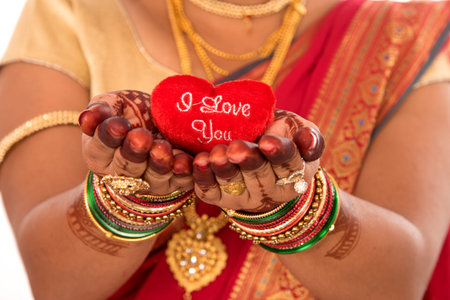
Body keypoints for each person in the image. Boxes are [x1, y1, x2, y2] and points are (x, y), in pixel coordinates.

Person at [0, 0, 449, 299]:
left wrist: (291, 209)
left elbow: (398, 283)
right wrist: (129, 198)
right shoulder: (75, 10)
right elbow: (55, 284)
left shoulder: (403, 25)